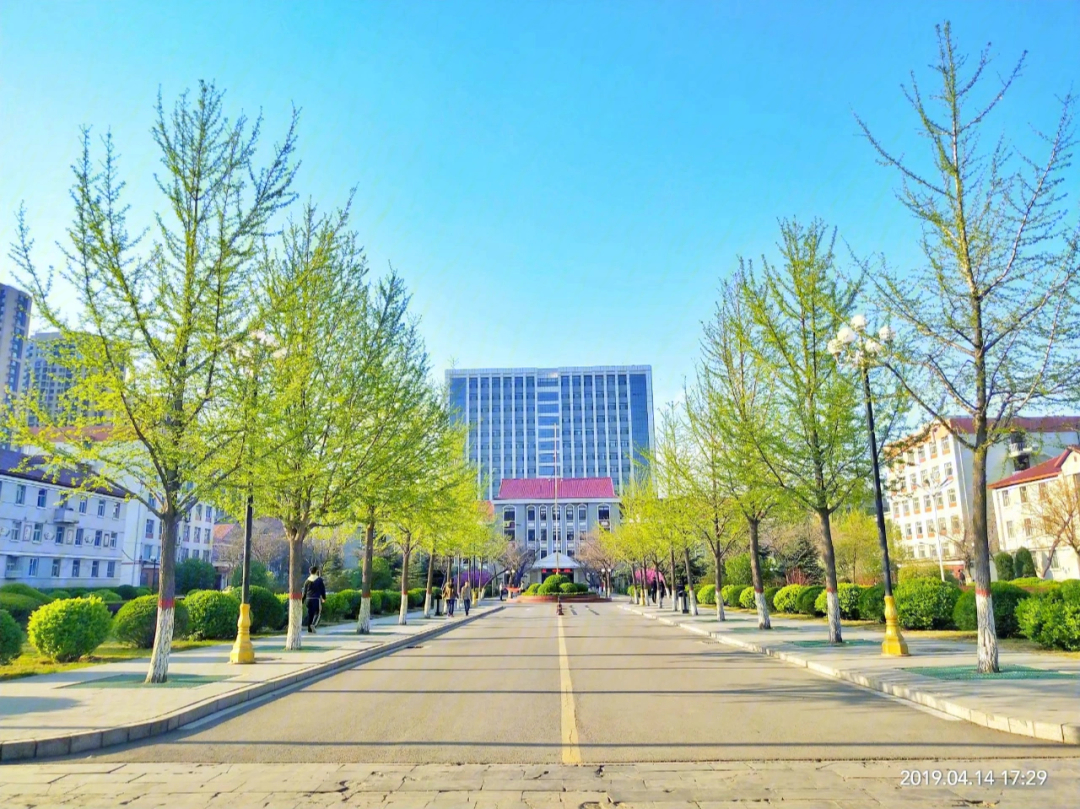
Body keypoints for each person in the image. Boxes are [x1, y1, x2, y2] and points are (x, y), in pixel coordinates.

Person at [301, 565, 326, 634]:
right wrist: (324, 598)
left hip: (308, 599)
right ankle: (313, 624)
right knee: (318, 612)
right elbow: (322, 590)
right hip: (316, 599)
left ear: (310, 572)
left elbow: (304, 592)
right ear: (316, 571)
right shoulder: (319, 580)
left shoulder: (307, 581)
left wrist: (302, 600)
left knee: (310, 614)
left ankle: (309, 629)